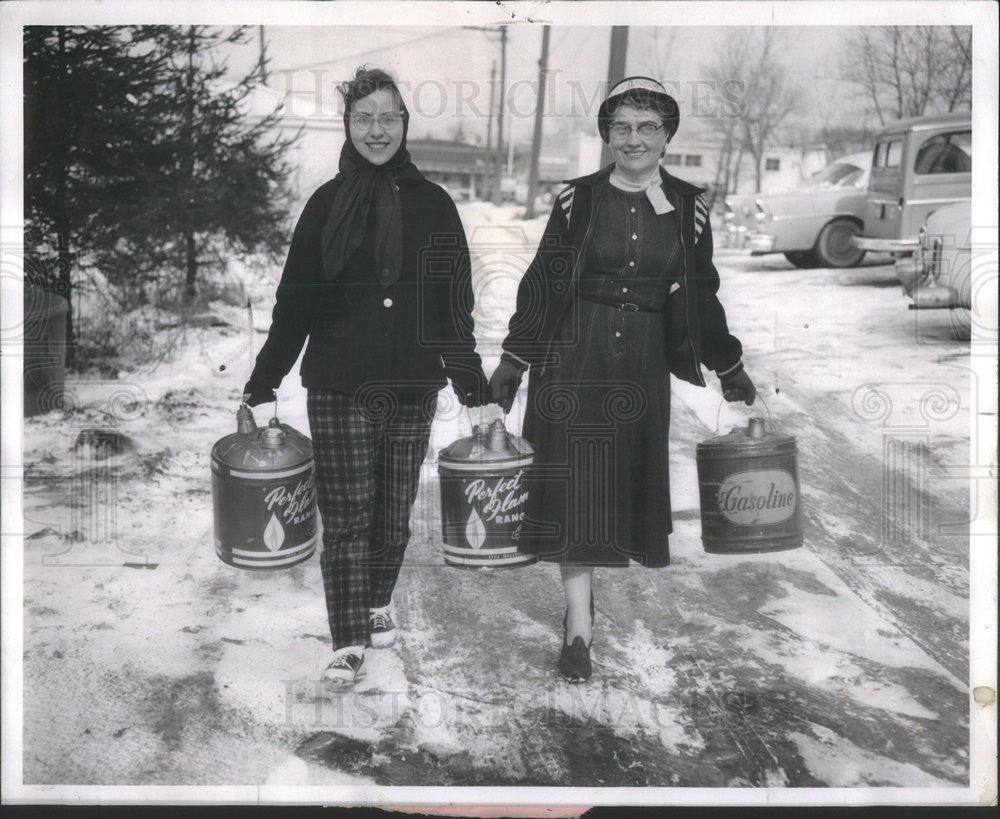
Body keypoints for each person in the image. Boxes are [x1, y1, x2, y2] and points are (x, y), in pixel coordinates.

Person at [489, 76, 756, 682]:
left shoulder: (691, 207)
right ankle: (578, 627)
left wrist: (728, 363)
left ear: (667, 136)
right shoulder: (575, 200)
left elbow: (701, 292)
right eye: (621, 127)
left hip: (640, 361)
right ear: (606, 134)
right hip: (571, 354)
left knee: (615, 485)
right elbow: (543, 280)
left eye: (647, 128)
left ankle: (582, 613)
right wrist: (515, 358)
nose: (633, 139)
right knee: (574, 489)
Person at [243, 66, 487, 688]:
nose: (376, 130)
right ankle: (347, 637)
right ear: (348, 127)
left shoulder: (435, 203)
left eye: (388, 118)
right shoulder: (325, 204)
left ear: (405, 124)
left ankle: (377, 595)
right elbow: (293, 301)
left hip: (411, 385)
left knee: (393, 509)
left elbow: (453, 305)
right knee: (347, 513)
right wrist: (264, 378)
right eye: (364, 118)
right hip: (339, 382)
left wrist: (472, 387)